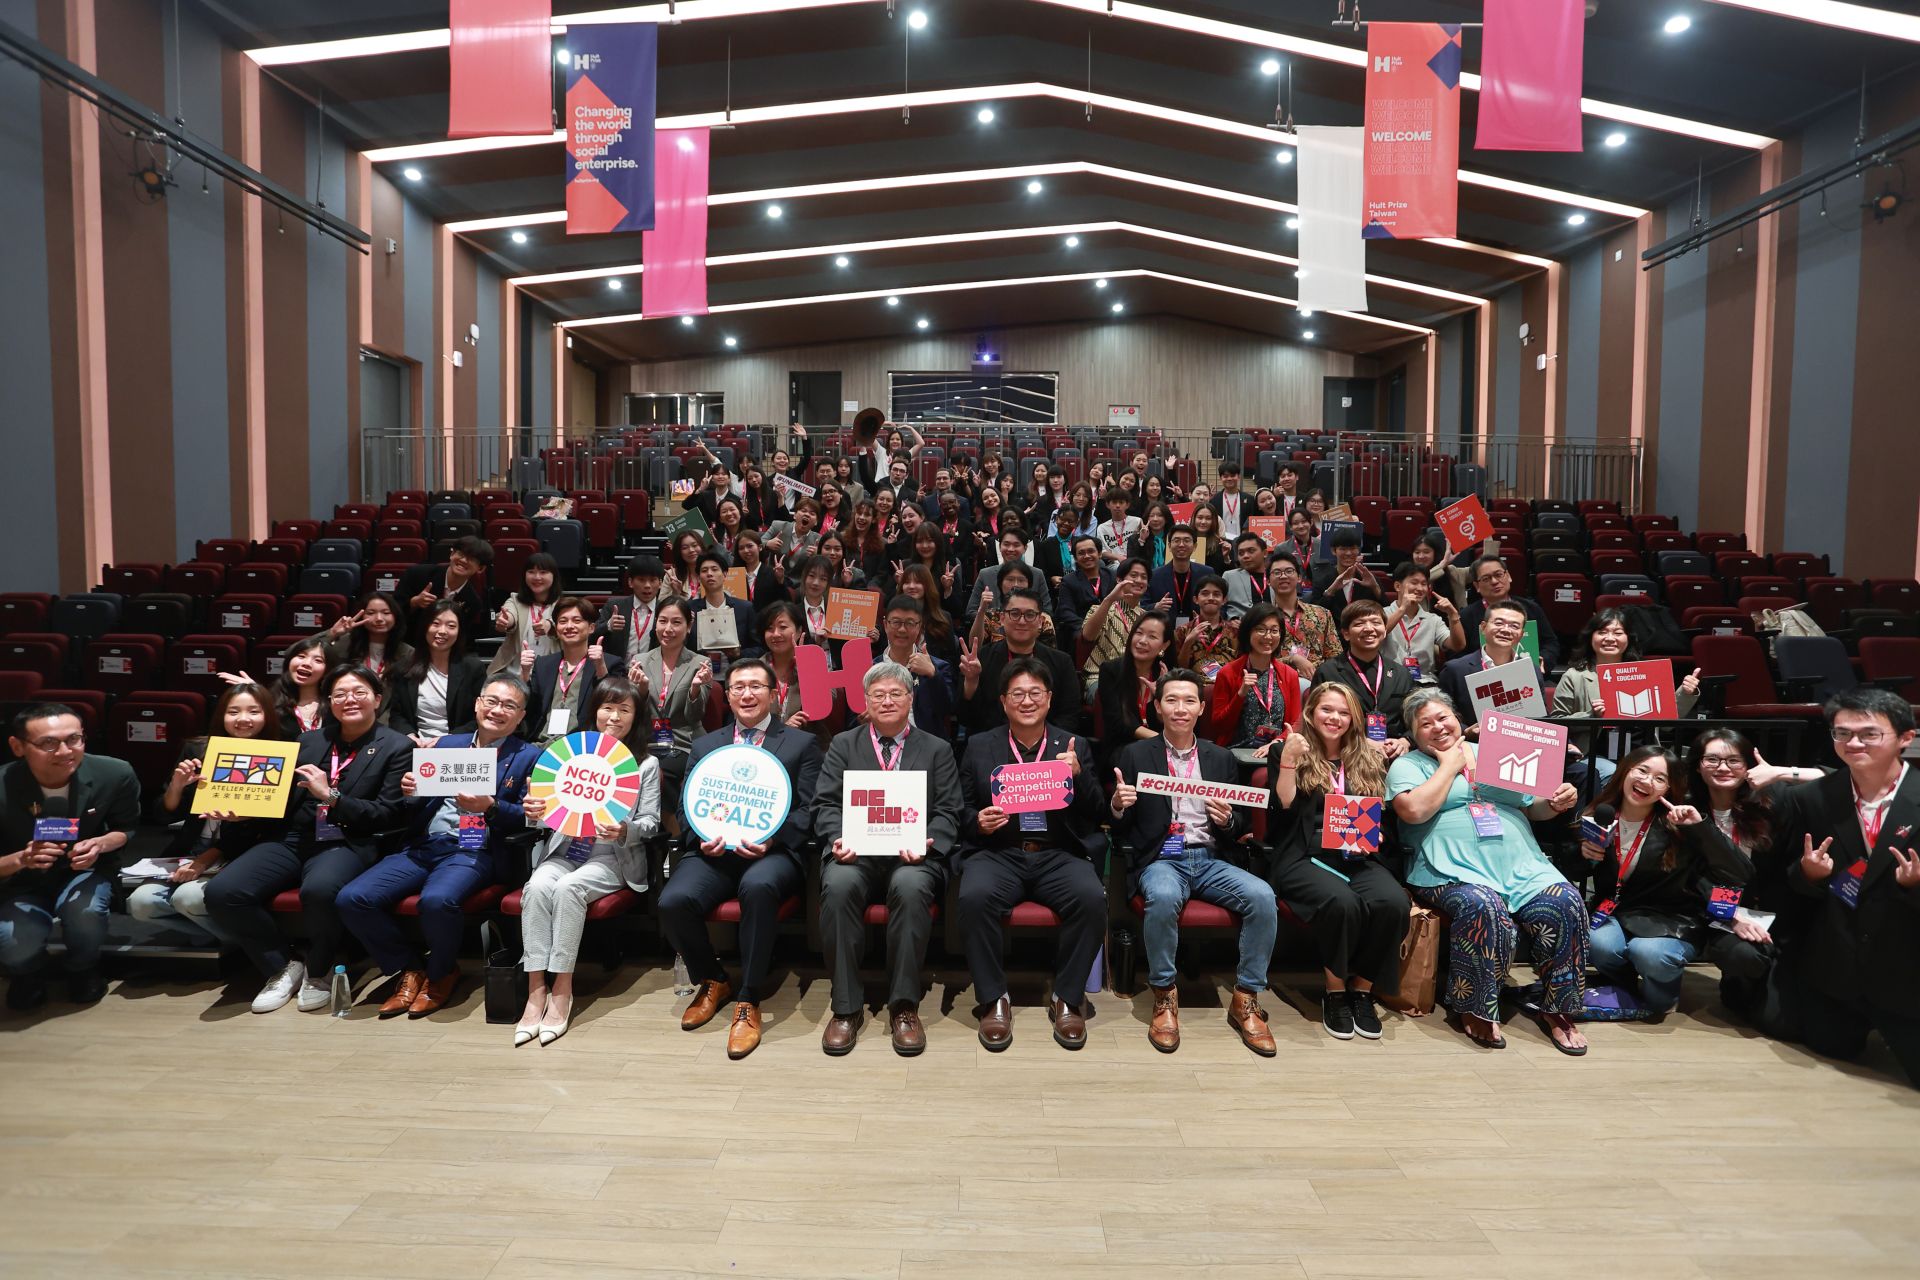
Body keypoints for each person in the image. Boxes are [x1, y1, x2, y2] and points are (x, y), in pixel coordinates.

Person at [1387, 688, 1589, 1054]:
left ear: (1457, 718)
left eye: (1443, 717)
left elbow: (1532, 806)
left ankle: (1558, 1008)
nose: (1437, 727)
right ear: (1414, 735)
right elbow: (1413, 812)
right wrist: (1449, 766)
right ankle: (1476, 1005)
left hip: (1521, 865)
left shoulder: (1494, 750)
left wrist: (1557, 802)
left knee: (1567, 902)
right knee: (1483, 905)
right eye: (1425, 724)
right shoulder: (1409, 765)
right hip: (1448, 869)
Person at [336, 673, 543, 1020]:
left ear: (521, 716)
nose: (497, 710)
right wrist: (411, 791)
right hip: (426, 844)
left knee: (436, 901)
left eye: (509, 706)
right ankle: (408, 968)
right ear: (477, 704)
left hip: (475, 849)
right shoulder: (447, 745)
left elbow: (529, 818)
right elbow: (415, 805)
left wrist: (491, 807)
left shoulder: (528, 756)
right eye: (491, 701)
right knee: (352, 898)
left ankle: (442, 972)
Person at [206, 666, 411, 1015]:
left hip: (347, 840)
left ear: (377, 699)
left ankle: (320, 969)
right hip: (293, 836)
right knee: (223, 892)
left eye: (359, 692)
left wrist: (331, 796)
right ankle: (282, 966)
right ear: (329, 702)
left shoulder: (396, 746)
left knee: (319, 890)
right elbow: (279, 799)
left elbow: (385, 814)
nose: (349, 700)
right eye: (340, 694)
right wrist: (245, 814)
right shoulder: (309, 741)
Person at [657, 659, 823, 1059]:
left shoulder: (801, 744)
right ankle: (713, 979)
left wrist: (773, 838)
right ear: (728, 696)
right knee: (672, 902)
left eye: (756, 686)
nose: (747, 694)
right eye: (738, 687)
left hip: (773, 853)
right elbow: (686, 806)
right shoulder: (706, 746)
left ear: (774, 694)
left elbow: (811, 810)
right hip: (714, 852)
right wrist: (701, 836)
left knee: (758, 886)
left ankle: (749, 998)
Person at [1111, 669, 1277, 1054]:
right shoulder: (1135, 755)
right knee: (1164, 896)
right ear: (1157, 707)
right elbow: (1121, 823)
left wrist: (1229, 819)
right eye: (1171, 700)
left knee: (1263, 897)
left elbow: (1240, 824)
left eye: (1189, 701)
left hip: (1210, 857)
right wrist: (1118, 806)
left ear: (1202, 708)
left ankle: (1246, 997)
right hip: (1161, 859)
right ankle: (1165, 995)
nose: (1180, 708)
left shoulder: (1220, 757)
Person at [811, 662, 966, 1055]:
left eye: (896, 694)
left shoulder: (937, 748)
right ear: (866, 701)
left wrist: (928, 843)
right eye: (878, 695)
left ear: (910, 699)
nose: (887, 701)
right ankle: (845, 1008)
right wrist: (838, 837)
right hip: (857, 853)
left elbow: (949, 810)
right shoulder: (844, 744)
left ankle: (904, 1006)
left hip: (912, 856)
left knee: (911, 887)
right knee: (838, 884)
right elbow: (825, 804)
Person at [955, 658, 1108, 1051]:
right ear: (1003, 701)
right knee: (973, 897)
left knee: (1091, 898)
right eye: (1018, 694)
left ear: (1050, 699)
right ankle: (994, 998)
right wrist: (978, 822)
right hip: (999, 851)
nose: (1027, 701)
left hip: (1058, 852)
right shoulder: (980, 745)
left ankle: (1067, 997)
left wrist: (1078, 775)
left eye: (1035, 693)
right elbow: (961, 808)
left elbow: (1097, 810)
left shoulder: (1072, 745)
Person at [1772, 688, 1920, 1086]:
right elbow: (1786, 883)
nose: (1853, 743)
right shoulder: (1811, 798)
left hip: (1907, 968)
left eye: (1869, 734)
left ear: (1906, 737)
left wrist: (1915, 887)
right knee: (1829, 1046)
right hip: (1838, 968)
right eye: (1842, 733)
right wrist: (1810, 874)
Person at [515, 678, 662, 1045]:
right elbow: (546, 814)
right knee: (537, 886)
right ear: (594, 711)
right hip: (567, 849)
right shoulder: (569, 755)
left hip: (612, 855)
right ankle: (535, 989)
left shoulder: (645, 764)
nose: (614, 717)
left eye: (624, 710)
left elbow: (650, 822)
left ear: (635, 717)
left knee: (569, 888)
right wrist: (534, 813)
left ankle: (562, 989)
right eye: (607, 707)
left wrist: (625, 829)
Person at [1270, 682, 1411, 1040]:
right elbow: (1284, 804)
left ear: (1354, 718)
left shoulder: (1368, 756)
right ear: (1311, 712)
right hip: (1305, 855)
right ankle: (1334, 993)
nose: (1334, 718)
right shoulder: (1288, 749)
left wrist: (1376, 835)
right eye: (1327, 709)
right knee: (1342, 903)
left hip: (1356, 854)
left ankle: (1362, 990)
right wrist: (1289, 760)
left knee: (1394, 902)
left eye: (1344, 712)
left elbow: (1379, 813)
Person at [1579, 746, 1751, 1019]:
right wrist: (1582, 853)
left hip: (1671, 918)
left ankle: (1660, 1000)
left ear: (1668, 789)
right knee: (1598, 943)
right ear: (1625, 771)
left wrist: (1700, 827)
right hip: (1617, 911)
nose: (1647, 781)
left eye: (1660, 778)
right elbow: (1572, 867)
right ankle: (1623, 990)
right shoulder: (1601, 815)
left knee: (1648, 952)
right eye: (1642, 770)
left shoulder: (1676, 825)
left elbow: (1737, 871)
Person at [0, 704, 140, 1009]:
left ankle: (83, 969)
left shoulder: (113, 773)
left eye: (74, 739)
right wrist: (21, 859)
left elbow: (126, 828)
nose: (65, 752)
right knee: (13, 938)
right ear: (18, 746)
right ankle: (27, 975)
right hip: (19, 882)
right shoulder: (3, 785)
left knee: (84, 911)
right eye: (49, 743)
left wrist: (100, 844)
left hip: (85, 871)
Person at [127, 683, 285, 946]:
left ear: (267, 715)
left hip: (241, 855)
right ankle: (225, 937)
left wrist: (204, 861)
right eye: (233, 711)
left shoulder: (277, 754)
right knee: (140, 903)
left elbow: (268, 827)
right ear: (221, 715)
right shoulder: (197, 750)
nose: (243, 719)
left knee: (187, 899)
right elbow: (163, 815)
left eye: (253, 711)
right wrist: (176, 786)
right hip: (190, 851)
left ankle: (248, 944)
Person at [1552, 608, 1702, 732]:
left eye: (1618, 633)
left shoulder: (1645, 674)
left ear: (1628, 638)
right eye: (1602, 632)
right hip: (1596, 752)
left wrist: (1685, 693)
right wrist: (1592, 716)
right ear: (1590, 637)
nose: (1610, 638)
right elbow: (1558, 723)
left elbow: (1665, 725)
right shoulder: (1574, 676)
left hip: (1642, 749)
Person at [630, 598, 712, 816]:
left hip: (683, 742)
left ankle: (668, 831)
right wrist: (641, 689)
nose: (668, 629)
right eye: (663, 621)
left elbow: (695, 717)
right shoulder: (640, 660)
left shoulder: (700, 663)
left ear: (688, 627)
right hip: (647, 741)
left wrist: (695, 689)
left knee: (661, 770)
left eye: (676, 622)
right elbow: (632, 714)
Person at [961, 588, 1082, 733]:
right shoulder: (981, 658)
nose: (1022, 621)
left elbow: (1069, 715)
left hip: (1046, 742)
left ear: (1040, 621)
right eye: (1015, 614)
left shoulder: (1062, 662)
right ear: (1002, 619)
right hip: (992, 741)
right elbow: (966, 718)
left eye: (1030, 615)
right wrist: (971, 682)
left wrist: (1043, 740)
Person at [1311, 600, 1415, 759]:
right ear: (1346, 633)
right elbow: (1315, 721)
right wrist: (1360, 742)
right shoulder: (1328, 672)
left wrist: (1406, 741)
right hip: (1345, 752)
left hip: (1395, 754)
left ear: (1385, 630)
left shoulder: (1401, 674)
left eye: (1376, 623)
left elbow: (1417, 716)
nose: (1369, 628)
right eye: (1359, 624)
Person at [386, 600, 488, 744]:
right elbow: (397, 715)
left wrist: (447, 740)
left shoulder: (473, 668)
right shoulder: (404, 667)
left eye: (451, 626)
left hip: (458, 745)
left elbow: (479, 716)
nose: (442, 631)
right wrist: (410, 736)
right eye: (435, 623)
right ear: (425, 627)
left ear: (459, 631)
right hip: (415, 746)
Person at [1207, 603, 1302, 754]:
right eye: (1260, 629)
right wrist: (1240, 695)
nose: (1268, 636)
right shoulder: (1228, 673)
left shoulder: (1289, 674)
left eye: (1274, 631)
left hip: (1275, 753)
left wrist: (1276, 743)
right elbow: (1219, 726)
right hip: (1235, 752)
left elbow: (1295, 723)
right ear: (1247, 633)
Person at [1437, 601, 1546, 732]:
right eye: (1499, 623)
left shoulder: (1531, 670)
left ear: (1521, 635)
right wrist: (1467, 731)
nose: (1506, 630)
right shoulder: (1455, 670)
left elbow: (1542, 718)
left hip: (1521, 741)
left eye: (1514, 626)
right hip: (1471, 742)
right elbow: (1441, 716)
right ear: (1483, 628)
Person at [1096, 612, 1172, 775]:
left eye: (1152, 636)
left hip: (1161, 748)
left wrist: (1161, 698)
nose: (1142, 641)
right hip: (1122, 747)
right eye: (1139, 633)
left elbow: (1171, 723)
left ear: (1164, 645)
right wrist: (1162, 741)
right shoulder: (1111, 670)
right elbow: (1119, 723)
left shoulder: (1167, 674)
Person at [526, 597, 608, 741]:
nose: (569, 626)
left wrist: (600, 668)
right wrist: (525, 673)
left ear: (591, 628)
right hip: (542, 743)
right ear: (556, 629)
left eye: (577, 620)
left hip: (583, 745)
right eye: (563, 621)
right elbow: (528, 708)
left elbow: (613, 704)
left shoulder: (609, 663)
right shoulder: (543, 664)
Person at [1460, 555, 1559, 669]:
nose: (1494, 581)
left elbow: (1550, 643)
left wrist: (1543, 660)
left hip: (1529, 673)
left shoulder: (1532, 608)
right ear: (1477, 586)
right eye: (1486, 579)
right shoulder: (1466, 616)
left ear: (1508, 576)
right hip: (1482, 676)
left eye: (1498, 575)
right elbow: (1458, 654)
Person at [878, 596, 955, 736]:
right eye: (896, 622)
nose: (902, 629)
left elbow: (946, 710)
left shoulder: (938, 667)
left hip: (924, 744)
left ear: (919, 626)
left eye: (910, 623)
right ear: (885, 625)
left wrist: (933, 675)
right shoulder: (870, 668)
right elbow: (854, 720)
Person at [398, 535, 493, 644]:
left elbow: (462, 637)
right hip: (408, 643)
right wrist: (414, 602)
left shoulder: (473, 602)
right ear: (452, 554)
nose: (463, 560)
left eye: (471, 559)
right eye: (461, 554)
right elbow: (393, 612)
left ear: (480, 568)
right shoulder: (416, 574)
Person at [1079, 558, 1151, 695]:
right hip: (1099, 677)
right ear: (1119, 580)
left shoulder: (1147, 618)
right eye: (1133, 575)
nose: (1139, 580)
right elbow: (1087, 636)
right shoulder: (1101, 609)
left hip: (1136, 678)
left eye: (1144, 577)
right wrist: (1109, 599)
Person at [1381, 561, 1462, 681]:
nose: (1420, 588)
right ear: (1398, 586)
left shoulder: (1433, 619)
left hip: (1425, 682)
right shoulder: (1381, 613)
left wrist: (1453, 615)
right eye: (1414, 583)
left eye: (1424, 584)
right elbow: (1379, 634)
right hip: (1390, 680)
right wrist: (1402, 609)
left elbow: (1458, 645)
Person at [1267, 550, 1341, 680]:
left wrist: (1318, 674)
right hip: (1275, 682)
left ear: (1299, 578)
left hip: (1317, 682)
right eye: (1277, 572)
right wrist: (1292, 659)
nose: (1283, 576)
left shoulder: (1321, 614)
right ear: (1268, 580)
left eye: (1289, 571)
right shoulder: (1262, 618)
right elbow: (1256, 660)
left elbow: (1335, 656)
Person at [486, 552, 562, 678]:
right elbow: (509, 614)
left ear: (554, 576)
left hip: (550, 676)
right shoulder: (515, 600)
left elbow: (562, 620)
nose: (537, 577)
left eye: (543, 572)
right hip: (514, 674)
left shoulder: (562, 604)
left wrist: (549, 625)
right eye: (531, 572)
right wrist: (506, 621)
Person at [965, 526, 1053, 624]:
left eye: (1016, 545)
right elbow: (971, 611)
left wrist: (1026, 619)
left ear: (1025, 548)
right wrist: (995, 621)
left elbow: (1047, 611)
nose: (1011, 549)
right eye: (1006, 544)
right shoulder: (985, 574)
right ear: (999, 547)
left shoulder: (1037, 574)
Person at [688, 551, 759, 669]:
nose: (709, 574)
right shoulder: (690, 608)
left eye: (714, 569)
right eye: (704, 571)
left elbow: (759, 648)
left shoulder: (745, 608)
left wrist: (739, 653)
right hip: (699, 671)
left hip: (736, 672)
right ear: (699, 578)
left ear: (725, 574)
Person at [319, 591, 413, 679]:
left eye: (386, 613)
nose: (379, 618)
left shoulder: (408, 653)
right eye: (371, 613)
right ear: (361, 617)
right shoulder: (343, 645)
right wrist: (332, 633)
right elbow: (310, 651)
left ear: (396, 616)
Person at [595, 555, 668, 664]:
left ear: (660, 583)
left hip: (652, 671)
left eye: (653, 580)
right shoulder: (614, 606)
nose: (647, 585)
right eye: (641, 580)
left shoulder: (666, 609)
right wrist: (608, 626)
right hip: (617, 671)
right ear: (630, 582)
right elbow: (591, 634)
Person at [1145, 525, 1217, 629]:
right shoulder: (1154, 575)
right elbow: (1141, 606)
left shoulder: (1207, 573)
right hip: (1165, 631)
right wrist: (1155, 607)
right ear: (1169, 546)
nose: (1181, 544)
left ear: (1195, 546)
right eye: (1177, 540)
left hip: (1200, 630)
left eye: (1186, 540)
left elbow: (1218, 602)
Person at [898, 564, 962, 667]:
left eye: (918, 582)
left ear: (927, 586)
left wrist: (932, 670)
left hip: (933, 674)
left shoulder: (942, 619)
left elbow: (951, 662)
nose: (911, 586)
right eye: (907, 582)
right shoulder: (893, 617)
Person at [1174, 577, 1236, 681]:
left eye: (1216, 594)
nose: (1211, 598)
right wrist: (1188, 643)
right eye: (1205, 593)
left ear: (1224, 600)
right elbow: (1179, 669)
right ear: (1196, 599)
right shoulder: (1182, 631)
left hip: (1228, 685)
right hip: (1193, 686)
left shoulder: (1235, 632)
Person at [1310, 526, 1383, 611]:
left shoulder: (1370, 579)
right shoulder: (1322, 581)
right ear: (1333, 551)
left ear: (1358, 550)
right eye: (1343, 549)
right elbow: (1314, 613)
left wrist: (1375, 587)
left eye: (1353, 548)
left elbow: (1385, 609)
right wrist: (1330, 591)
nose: (1348, 553)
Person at [1056, 534, 1113, 640]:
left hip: (1112, 629)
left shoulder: (1111, 575)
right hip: (1083, 631)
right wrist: (1087, 628)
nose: (1087, 556)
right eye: (1081, 553)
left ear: (1099, 553)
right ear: (1075, 558)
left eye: (1091, 551)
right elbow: (1065, 612)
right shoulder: (1068, 581)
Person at [272, 636, 332, 733]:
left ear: (327, 670)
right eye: (301, 656)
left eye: (318, 660)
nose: (307, 663)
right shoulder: (270, 702)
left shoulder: (334, 704)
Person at [1410, 531, 1471, 613]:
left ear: (1435, 553)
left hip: (1456, 620)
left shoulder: (1452, 572)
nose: (1421, 556)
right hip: (1424, 621)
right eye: (1417, 552)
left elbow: (1483, 568)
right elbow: (1421, 580)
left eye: (1426, 552)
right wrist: (1443, 564)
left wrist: (1486, 536)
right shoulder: (1408, 575)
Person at [1222, 533, 1272, 622]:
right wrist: (1230, 621)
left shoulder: (1275, 575)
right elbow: (1219, 606)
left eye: (1251, 551)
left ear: (1264, 553)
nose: (1245, 556)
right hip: (1240, 626)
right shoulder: (1229, 576)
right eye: (1241, 553)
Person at [1097, 486, 1141, 570]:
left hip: (1135, 562)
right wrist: (1118, 557)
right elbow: (1102, 551)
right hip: (1113, 565)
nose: (1117, 506)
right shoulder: (1102, 528)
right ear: (1107, 504)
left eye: (1121, 502)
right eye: (1114, 502)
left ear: (1127, 505)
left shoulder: (1137, 522)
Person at [1209, 461, 1248, 541]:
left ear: (1239, 476)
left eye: (1233, 475)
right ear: (1221, 478)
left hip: (1242, 541)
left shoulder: (1249, 499)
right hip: (1221, 541)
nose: (1229, 479)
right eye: (1225, 476)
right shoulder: (1214, 500)